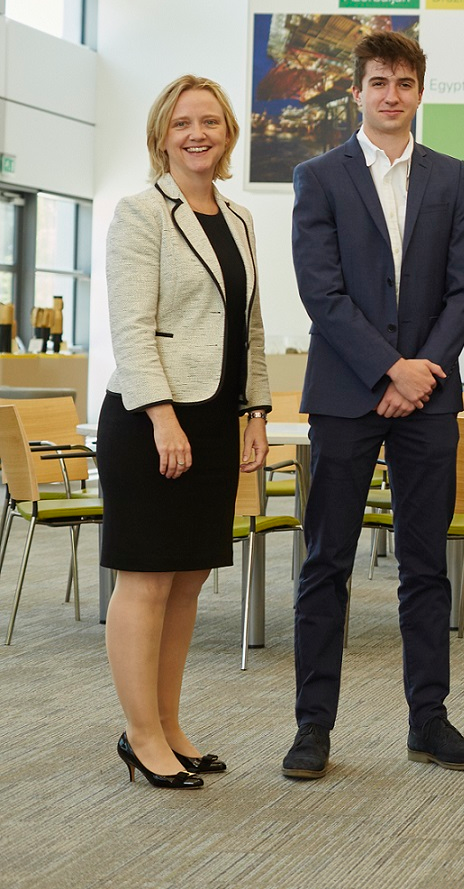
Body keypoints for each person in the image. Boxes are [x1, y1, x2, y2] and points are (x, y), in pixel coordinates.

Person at [283, 30, 464, 779]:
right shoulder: (319, 176)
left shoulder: (450, 177)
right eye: (378, 82)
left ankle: (428, 721)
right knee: (325, 563)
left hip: (429, 397)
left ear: (419, 91)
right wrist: (389, 369)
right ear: (357, 91)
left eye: (404, 82)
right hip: (346, 393)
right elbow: (321, 291)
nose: (391, 94)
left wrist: (424, 369)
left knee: (425, 563)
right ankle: (312, 728)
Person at [101, 76, 270, 788]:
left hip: (215, 417)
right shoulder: (139, 214)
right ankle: (140, 734)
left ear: (228, 133)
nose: (197, 133)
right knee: (145, 579)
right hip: (151, 420)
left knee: (189, 577)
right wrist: (163, 416)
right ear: (161, 135)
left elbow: (248, 327)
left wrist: (254, 410)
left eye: (210, 121)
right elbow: (133, 330)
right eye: (182, 123)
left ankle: (169, 723)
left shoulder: (237, 218)